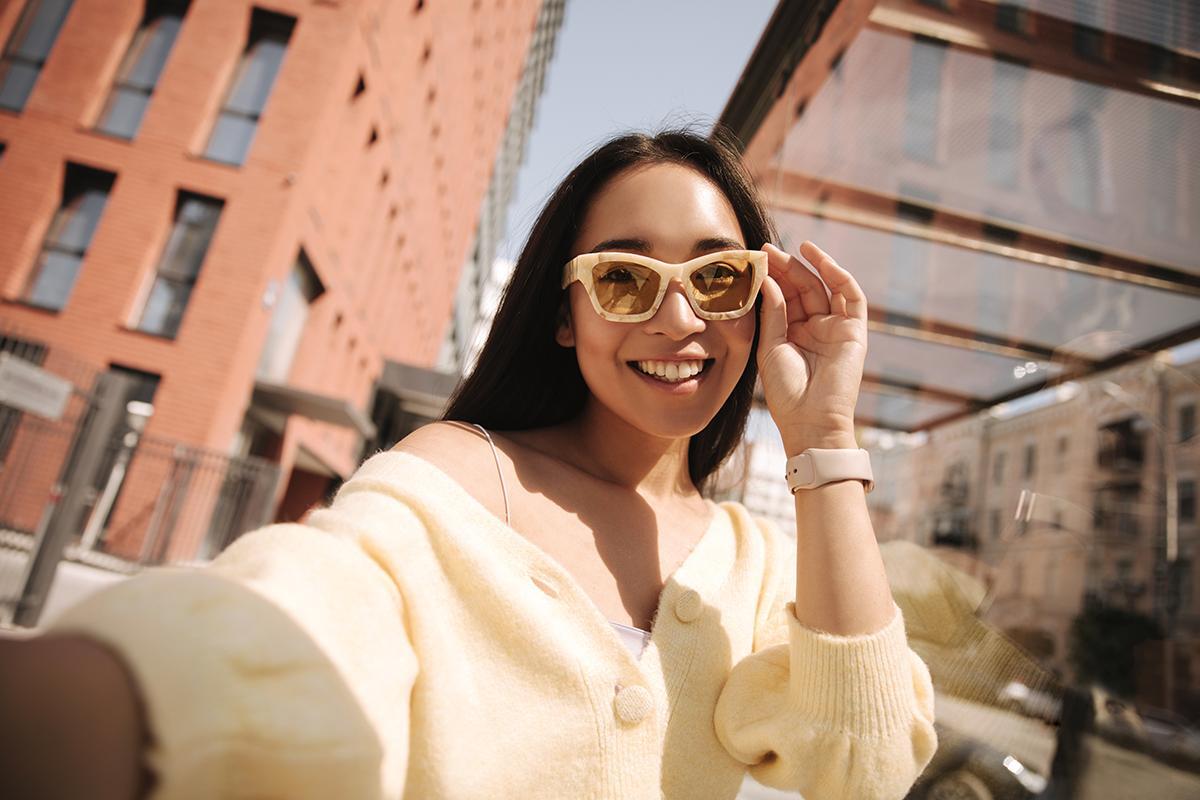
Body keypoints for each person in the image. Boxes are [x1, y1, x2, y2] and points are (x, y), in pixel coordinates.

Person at [0, 128, 936, 799]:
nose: (679, 316)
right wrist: (90, 703)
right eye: (623, 276)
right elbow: (296, 614)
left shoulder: (762, 559)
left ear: (757, 303)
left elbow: (867, 766)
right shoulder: (460, 477)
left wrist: (823, 440)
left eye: (716, 276)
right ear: (564, 316)